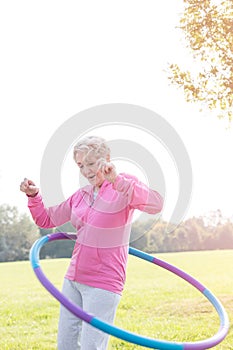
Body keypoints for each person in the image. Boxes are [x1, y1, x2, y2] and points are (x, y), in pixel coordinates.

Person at [20, 135, 163, 350]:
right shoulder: (82, 195)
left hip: (103, 283)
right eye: (80, 165)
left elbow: (156, 204)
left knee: (91, 347)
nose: (86, 171)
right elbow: (47, 219)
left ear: (106, 158)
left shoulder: (122, 184)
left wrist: (118, 181)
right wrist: (34, 196)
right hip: (73, 280)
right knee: (65, 345)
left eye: (91, 163)